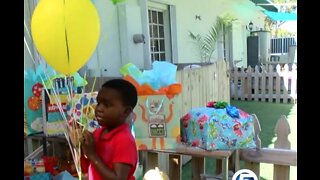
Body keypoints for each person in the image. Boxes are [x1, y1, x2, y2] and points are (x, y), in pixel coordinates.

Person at [80, 79, 138, 180]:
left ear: (126, 112)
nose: (99, 109)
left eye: (106, 105)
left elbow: (118, 178)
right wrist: (81, 146)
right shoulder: (97, 134)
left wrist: (92, 155)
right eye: (98, 103)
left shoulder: (124, 140)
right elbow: (87, 168)